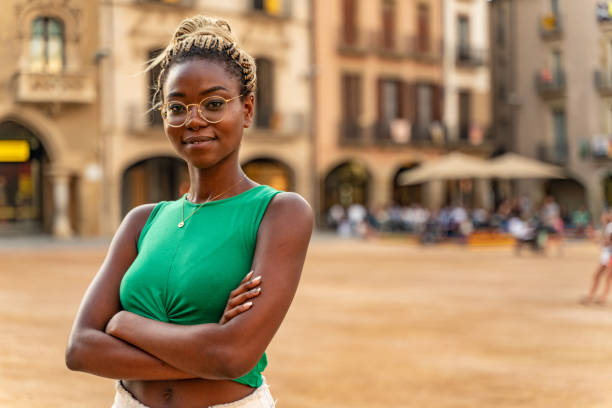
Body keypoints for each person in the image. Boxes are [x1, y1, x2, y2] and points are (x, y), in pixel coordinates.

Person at [65, 16, 313, 408]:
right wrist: (208, 347)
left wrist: (125, 324)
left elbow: (233, 356)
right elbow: (80, 349)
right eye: (177, 107)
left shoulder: (280, 212)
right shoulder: (141, 221)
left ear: (247, 110)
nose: (194, 120)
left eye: (214, 104)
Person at [581, 209, 612, 305]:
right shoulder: (608, 227)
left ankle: (597, 296)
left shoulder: (610, 226)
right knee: (604, 276)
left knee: (602, 276)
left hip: (609, 254)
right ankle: (598, 296)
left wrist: (597, 239)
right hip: (607, 254)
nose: (605, 216)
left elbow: (608, 242)